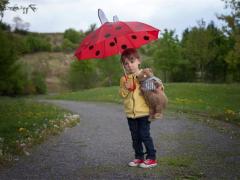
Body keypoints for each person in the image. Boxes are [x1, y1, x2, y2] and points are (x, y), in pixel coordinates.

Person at [119, 48, 157, 168]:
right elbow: (122, 94)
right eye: (126, 63)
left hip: (144, 112)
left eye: (132, 61)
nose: (129, 65)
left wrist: (142, 85)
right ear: (123, 66)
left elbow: (157, 87)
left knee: (144, 135)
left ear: (138, 61)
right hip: (131, 113)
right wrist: (126, 87)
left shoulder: (144, 74)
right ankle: (139, 157)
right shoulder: (124, 79)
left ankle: (151, 158)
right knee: (135, 137)